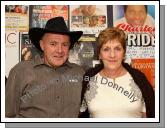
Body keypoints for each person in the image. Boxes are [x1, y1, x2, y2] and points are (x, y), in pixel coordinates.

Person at [5, 17, 84, 118]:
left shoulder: (79, 73)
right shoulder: (20, 71)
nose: (59, 50)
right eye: (53, 44)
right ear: (42, 45)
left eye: (64, 44)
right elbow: (8, 115)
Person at [80, 27, 155, 118]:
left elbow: (150, 115)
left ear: (124, 53)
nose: (112, 55)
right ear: (99, 54)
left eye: (117, 49)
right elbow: (82, 115)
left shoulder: (139, 79)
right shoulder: (88, 79)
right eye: (106, 49)